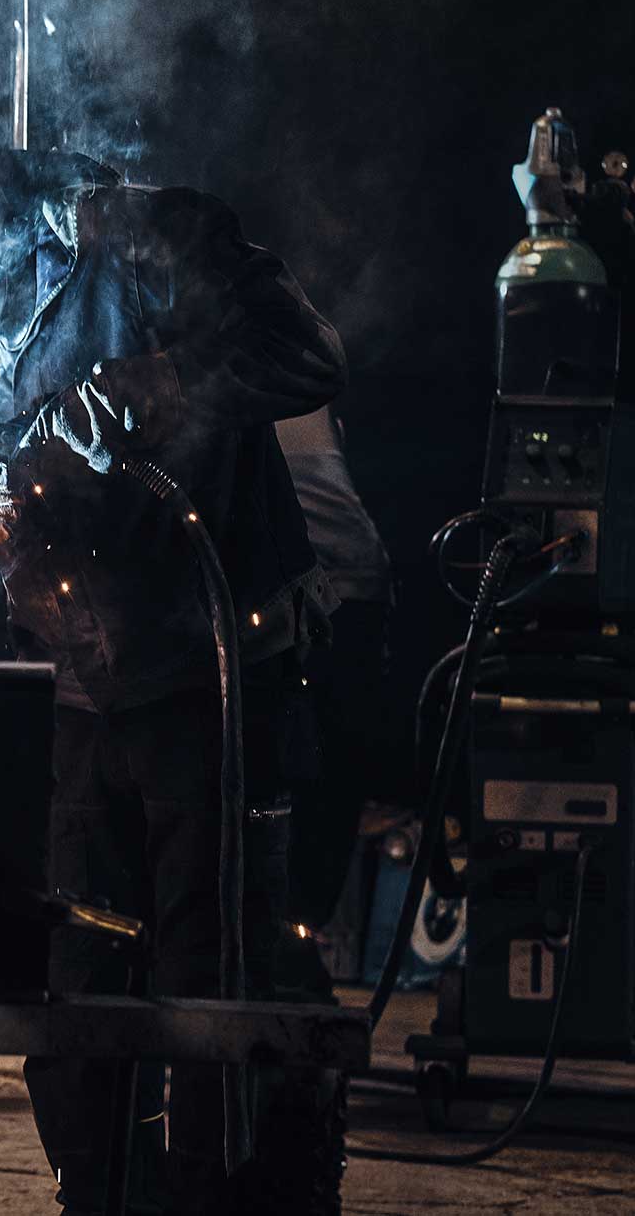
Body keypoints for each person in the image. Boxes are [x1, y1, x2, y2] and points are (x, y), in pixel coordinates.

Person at [0, 91, 346, 1214]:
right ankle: (91, 1199)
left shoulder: (137, 235)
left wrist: (141, 394)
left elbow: (301, 351)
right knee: (81, 984)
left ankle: (219, 1199)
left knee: (212, 981)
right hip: (84, 693)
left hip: (216, 679)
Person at [273, 405, 396, 998]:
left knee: (303, 782)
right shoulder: (303, 373)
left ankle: (289, 950)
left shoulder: (219, 374)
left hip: (324, 599)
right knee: (326, 779)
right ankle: (292, 947)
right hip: (357, 589)